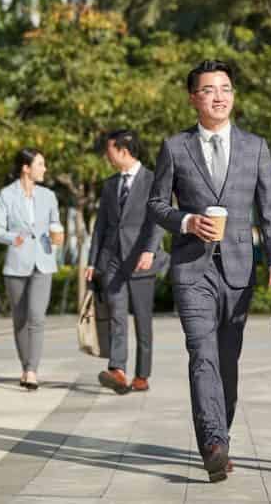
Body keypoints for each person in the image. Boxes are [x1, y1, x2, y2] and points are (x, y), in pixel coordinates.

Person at [148, 59, 271, 483]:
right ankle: (212, 443)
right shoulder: (175, 147)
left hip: (240, 271)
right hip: (192, 269)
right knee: (202, 354)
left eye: (225, 88)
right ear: (194, 98)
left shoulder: (256, 147)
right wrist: (188, 221)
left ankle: (220, 433)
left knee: (227, 361)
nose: (219, 96)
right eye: (209, 90)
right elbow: (156, 206)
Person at [85, 129, 167, 394]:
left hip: (141, 260)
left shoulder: (153, 181)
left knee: (143, 321)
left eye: (110, 151)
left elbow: (158, 220)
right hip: (113, 262)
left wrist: (150, 251)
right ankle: (117, 370)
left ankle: (142, 375)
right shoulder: (110, 185)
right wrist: (92, 261)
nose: (107, 156)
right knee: (117, 317)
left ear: (123, 150)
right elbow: (101, 226)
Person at [0, 148, 64, 391]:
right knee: (20, 319)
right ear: (26, 168)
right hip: (16, 264)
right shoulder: (7, 195)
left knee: (37, 317)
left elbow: (56, 225)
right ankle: (25, 366)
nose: (45, 169)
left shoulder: (49, 196)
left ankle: (32, 370)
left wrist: (58, 235)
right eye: (40, 164)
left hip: (43, 262)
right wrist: (13, 237)